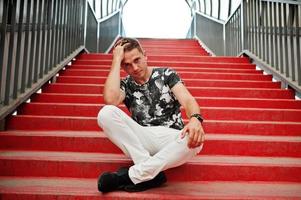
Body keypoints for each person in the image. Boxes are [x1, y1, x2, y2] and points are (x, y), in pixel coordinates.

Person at [97, 37, 205, 193]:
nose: (134, 67)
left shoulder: (166, 74)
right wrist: (116, 60)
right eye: (127, 64)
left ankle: (133, 175)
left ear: (145, 55)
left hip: (171, 137)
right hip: (143, 138)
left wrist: (195, 119)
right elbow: (111, 100)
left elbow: (188, 100)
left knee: (195, 140)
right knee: (105, 113)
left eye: (137, 60)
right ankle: (148, 169)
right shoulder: (126, 84)